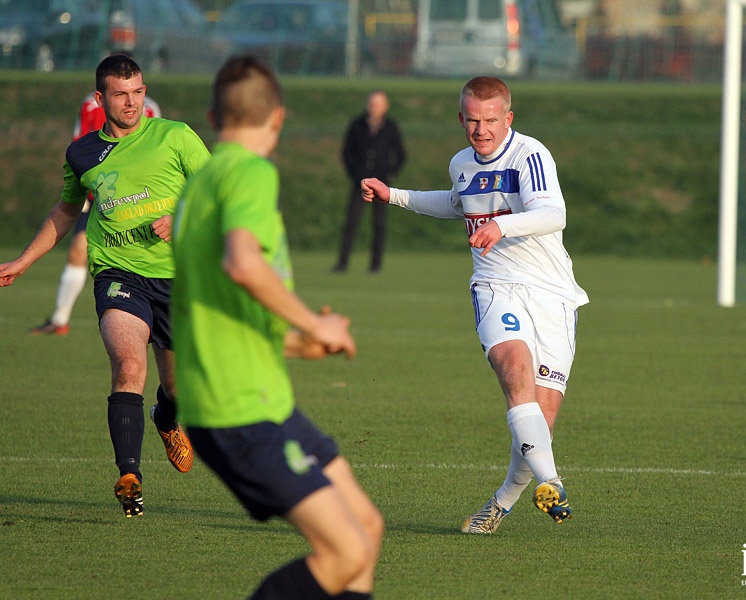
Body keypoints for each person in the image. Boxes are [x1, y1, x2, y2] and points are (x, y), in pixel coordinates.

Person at [172, 55, 383, 599]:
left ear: (212, 116)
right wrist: (317, 322)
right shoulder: (249, 172)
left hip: (261, 395)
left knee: (366, 528)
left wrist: (297, 341)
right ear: (279, 118)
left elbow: (219, 311)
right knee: (346, 550)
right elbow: (242, 264)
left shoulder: (199, 185)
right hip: (238, 408)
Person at [361, 75, 589, 534]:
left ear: (508, 118)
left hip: (551, 293)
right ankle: (552, 481)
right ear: (460, 117)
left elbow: (553, 213)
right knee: (512, 366)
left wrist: (502, 227)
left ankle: (501, 503)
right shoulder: (461, 164)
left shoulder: (530, 155)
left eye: (490, 120)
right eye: (472, 120)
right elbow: (457, 203)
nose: (480, 129)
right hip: (494, 283)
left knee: (541, 417)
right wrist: (396, 195)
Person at [0, 54, 209, 517]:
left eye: (137, 92)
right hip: (117, 273)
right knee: (129, 362)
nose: (132, 103)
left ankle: (167, 417)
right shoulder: (82, 153)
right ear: (101, 98)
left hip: (177, 277)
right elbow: (67, 210)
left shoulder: (175, 135)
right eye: (121, 94)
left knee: (176, 388)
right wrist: (25, 260)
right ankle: (129, 475)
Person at [30, 91, 162, 336]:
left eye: (135, 90)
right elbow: (81, 144)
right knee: (78, 249)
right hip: (98, 192)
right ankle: (60, 319)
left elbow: (154, 150)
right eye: (119, 92)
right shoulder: (90, 106)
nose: (129, 99)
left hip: (136, 200)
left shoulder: (152, 109)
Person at [333, 90, 405, 274]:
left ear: (386, 106)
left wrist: (390, 174)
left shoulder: (390, 127)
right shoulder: (357, 125)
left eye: (378, 104)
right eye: (372, 104)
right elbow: (346, 153)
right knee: (351, 222)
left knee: (379, 225)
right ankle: (342, 262)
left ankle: (375, 265)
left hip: (381, 184)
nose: (374, 108)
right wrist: (355, 174)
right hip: (360, 183)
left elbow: (400, 155)